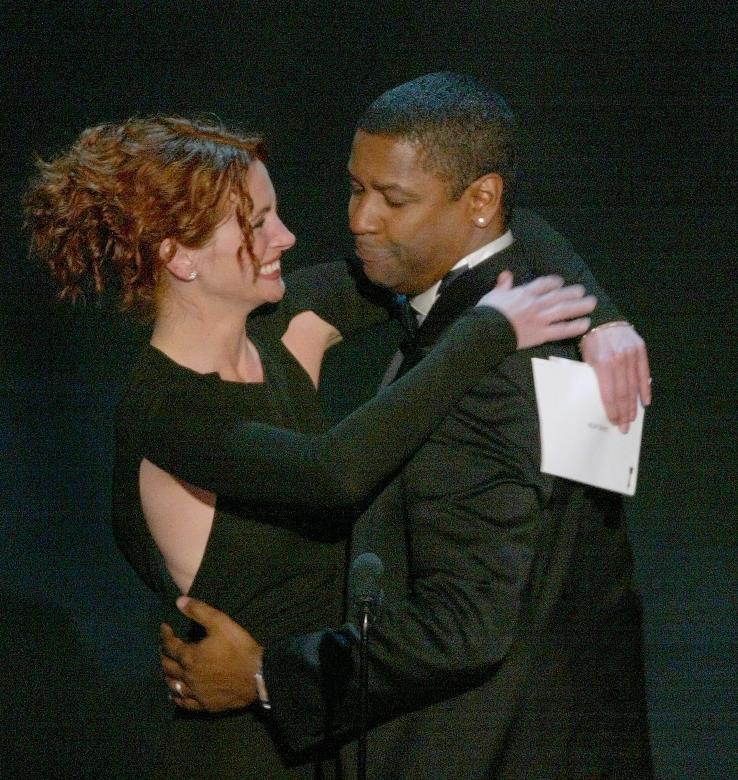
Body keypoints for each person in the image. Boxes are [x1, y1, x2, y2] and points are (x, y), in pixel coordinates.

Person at [24, 115, 612, 779]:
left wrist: (607, 322)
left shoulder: (287, 321)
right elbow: (333, 472)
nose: (286, 237)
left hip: (330, 736)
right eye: (256, 224)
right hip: (241, 756)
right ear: (179, 257)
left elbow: (457, 239)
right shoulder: (165, 410)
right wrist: (489, 331)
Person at [161, 74, 654, 779]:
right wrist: (600, 311)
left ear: (480, 200)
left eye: (393, 199)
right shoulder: (527, 320)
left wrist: (267, 675)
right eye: (355, 188)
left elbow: (467, 624)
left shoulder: (491, 365)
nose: (360, 219)